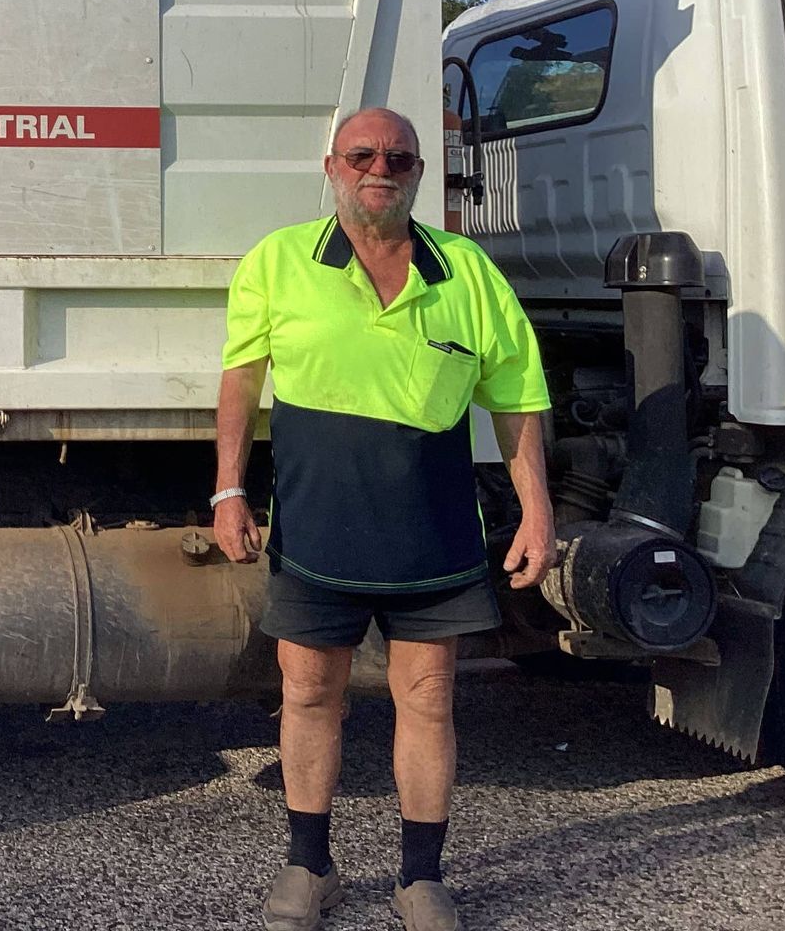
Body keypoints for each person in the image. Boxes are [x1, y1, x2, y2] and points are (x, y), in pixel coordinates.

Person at [212, 107, 556, 931]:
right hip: (317, 518)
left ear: (419, 173)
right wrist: (228, 489)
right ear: (332, 167)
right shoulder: (280, 260)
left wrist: (537, 510)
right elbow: (241, 379)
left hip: (430, 524)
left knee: (430, 699)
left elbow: (517, 399)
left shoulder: (467, 271)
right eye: (363, 154)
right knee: (307, 693)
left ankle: (421, 879)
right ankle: (308, 867)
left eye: (399, 157)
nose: (382, 167)